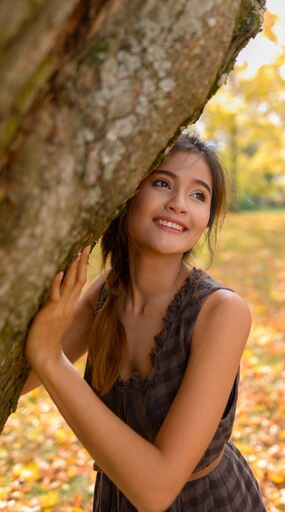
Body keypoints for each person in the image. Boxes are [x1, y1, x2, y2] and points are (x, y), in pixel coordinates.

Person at [23, 133, 267, 512]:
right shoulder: (106, 294)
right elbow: (19, 378)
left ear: (207, 219)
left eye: (198, 195)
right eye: (162, 183)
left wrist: (51, 358)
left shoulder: (221, 312)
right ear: (129, 193)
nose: (179, 204)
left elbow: (156, 491)